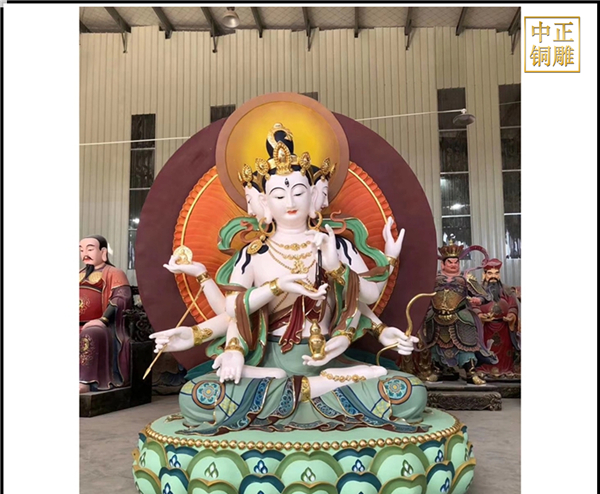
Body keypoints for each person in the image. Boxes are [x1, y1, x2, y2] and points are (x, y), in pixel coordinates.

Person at [150, 123, 428, 435]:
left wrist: (377, 324)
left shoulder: (337, 246)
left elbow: (364, 298)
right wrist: (272, 289)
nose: (290, 203)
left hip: (328, 359)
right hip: (271, 359)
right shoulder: (252, 254)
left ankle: (302, 389)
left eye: (298, 192)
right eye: (279, 195)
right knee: (196, 397)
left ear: (316, 196)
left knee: (410, 393)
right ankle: (311, 389)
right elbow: (236, 311)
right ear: (263, 203)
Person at [420, 239, 497, 385]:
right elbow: (421, 294)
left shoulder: (466, 278)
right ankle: (437, 371)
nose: (453, 265)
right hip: (436, 318)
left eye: (456, 262)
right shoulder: (433, 279)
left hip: (460, 317)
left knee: (466, 346)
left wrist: (478, 300)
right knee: (436, 347)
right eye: (450, 262)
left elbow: (485, 295)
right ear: (443, 264)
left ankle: (471, 372)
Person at [79, 235, 132, 393]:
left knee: (91, 334)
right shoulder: (78, 273)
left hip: (102, 325)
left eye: (90, 249)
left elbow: (121, 298)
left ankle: (85, 381)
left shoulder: (114, 273)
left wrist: (103, 319)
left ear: (103, 252)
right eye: (81, 250)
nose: (85, 254)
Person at [474, 258, 520, 378]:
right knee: (485, 348)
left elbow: (513, 306)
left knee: (505, 349)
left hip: (504, 327)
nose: (493, 276)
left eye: (496, 273)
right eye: (490, 273)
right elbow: (473, 306)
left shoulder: (507, 291)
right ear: (484, 274)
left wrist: (511, 316)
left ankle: (505, 369)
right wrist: (480, 316)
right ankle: (483, 369)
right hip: (485, 328)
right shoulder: (477, 291)